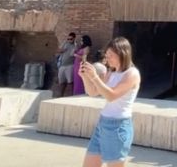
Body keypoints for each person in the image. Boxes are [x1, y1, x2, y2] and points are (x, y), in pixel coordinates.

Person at [79, 37, 141, 167]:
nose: (107, 59)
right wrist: (85, 77)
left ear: (122, 54)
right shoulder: (111, 72)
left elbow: (112, 95)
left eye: (111, 55)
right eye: (106, 55)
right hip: (102, 123)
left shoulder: (132, 74)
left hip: (118, 127)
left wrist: (95, 77)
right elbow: (93, 92)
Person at [55, 32, 77, 97]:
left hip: (70, 65)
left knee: (70, 82)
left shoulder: (75, 45)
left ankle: (71, 96)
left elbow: (74, 54)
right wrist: (62, 50)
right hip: (62, 65)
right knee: (61, 82)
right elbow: (58, 50)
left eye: (71, 39)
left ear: (74, 38)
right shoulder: (65, 43)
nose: (69, 40)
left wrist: (75, 46)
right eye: (68, 39)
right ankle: (60, 95)